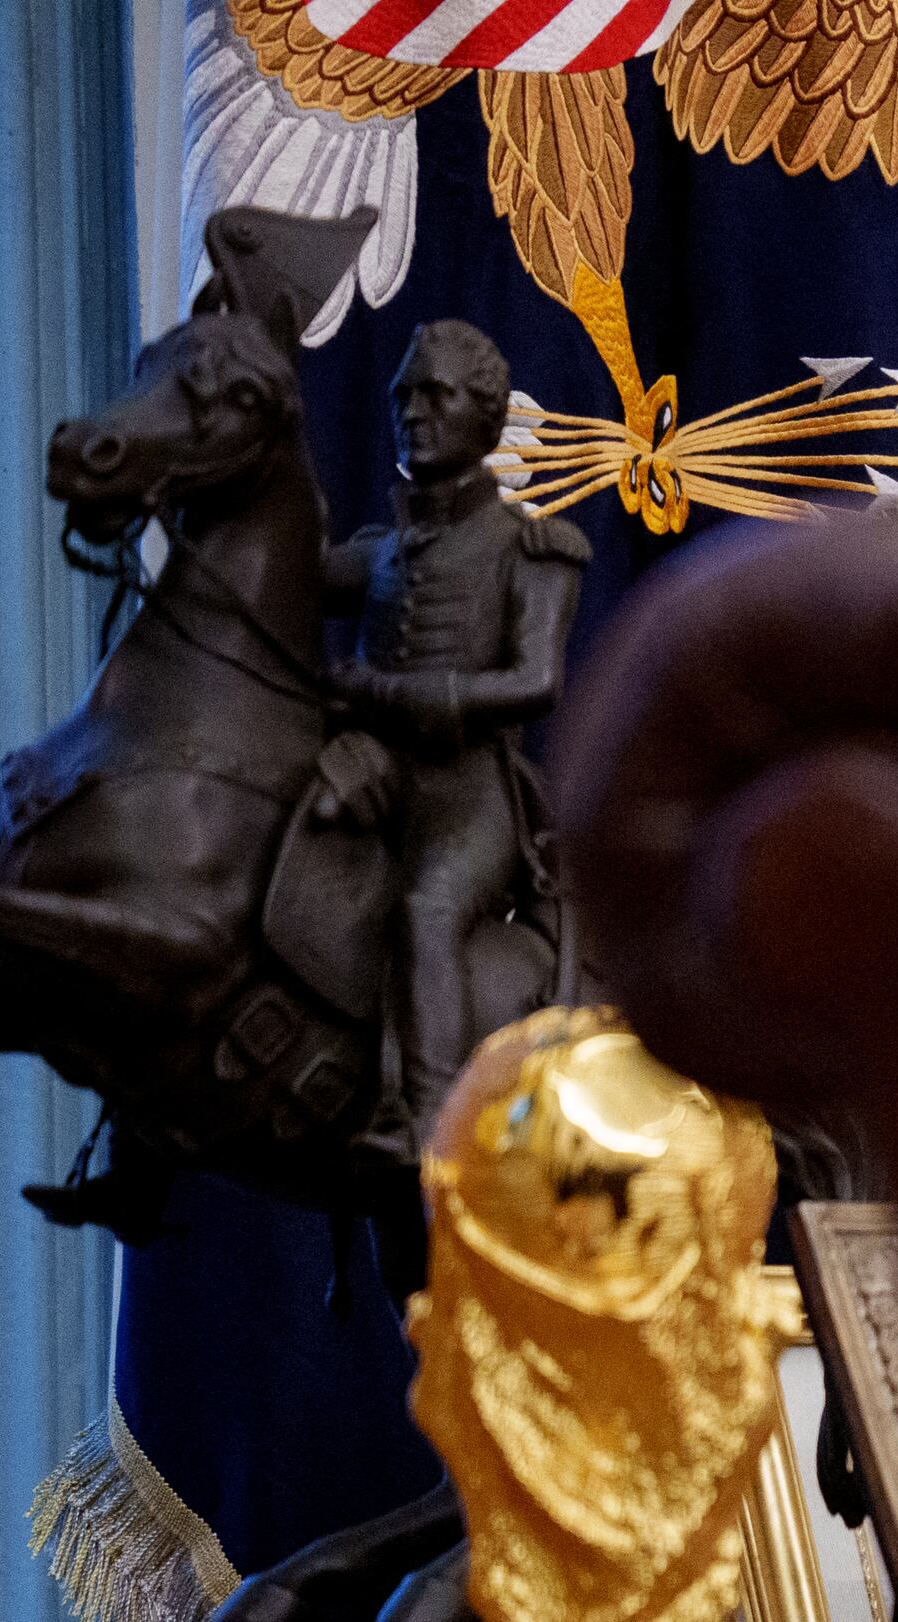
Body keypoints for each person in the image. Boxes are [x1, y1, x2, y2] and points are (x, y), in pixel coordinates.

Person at [316, 319, 584, 1136]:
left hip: (469, 791)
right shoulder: (380, 553)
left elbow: (536, 681)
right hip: (373, 771)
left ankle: (424, 1118)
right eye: (404, 395)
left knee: (427, 909)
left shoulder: (532, 546)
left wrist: (399, 695)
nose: (414, 411)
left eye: (436, 394)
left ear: (487, 416)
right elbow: (279, 578)